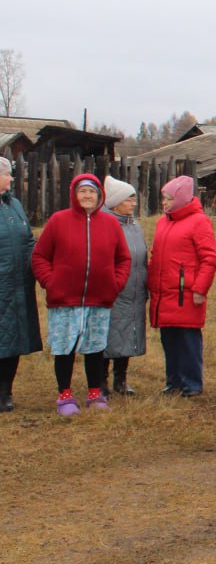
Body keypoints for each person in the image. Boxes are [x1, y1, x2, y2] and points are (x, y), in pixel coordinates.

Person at [31, 174, 130, 415]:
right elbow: (39, 256)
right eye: (83, 191)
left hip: (99, 299)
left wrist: (114, 284)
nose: (87, 196)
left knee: (95, 348)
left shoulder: (110, 224)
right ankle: (64, 397)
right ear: (74, 195)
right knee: (65, 348)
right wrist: (50, 282)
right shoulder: (58, 221)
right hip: (64, 300)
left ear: (100, 196)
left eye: (92, 192)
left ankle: (95, 395)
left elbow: (123, 259)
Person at [148, 175, 216, 397]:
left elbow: (208, 259)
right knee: (169, 339)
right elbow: (156, 255)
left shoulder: (199, 221)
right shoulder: (163, 221)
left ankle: (192, 383)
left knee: (188, 339)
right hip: (164, 292)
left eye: (168, 198)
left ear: (179, 199)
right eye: (163, 198)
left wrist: (199, 289)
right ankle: (173, 381)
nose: (164, 203)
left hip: (185, 292)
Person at [0, 156, 42, 412]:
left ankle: (5, 391)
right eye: (7, 174)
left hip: (18, 285)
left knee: (13, 339)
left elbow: (27, 240)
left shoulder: (14, 204)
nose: (11, 178)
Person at [102, 176, 148, 396]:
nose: (133, 203)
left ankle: (121, 379)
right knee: (107, 335)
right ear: (116, 201)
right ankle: (101, 381)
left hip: (135, 290)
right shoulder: (105, 224)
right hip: (113, 290)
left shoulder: (134, 225)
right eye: (129, 199)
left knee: (128, 333)